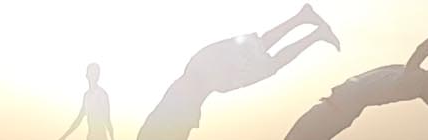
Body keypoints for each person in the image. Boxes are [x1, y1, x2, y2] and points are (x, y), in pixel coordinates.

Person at [137, 4, 341, 140]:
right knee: (258, 49)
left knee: (266, 61)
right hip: (205, 70)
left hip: (209, 75)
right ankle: (305, 21)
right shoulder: (160, 123)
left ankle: (313, 31)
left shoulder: (165, 124)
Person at [283, 23, 428, 140]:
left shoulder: (411, 82)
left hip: (334, 112)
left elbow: (422, 50)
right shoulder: (420, 80)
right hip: (336, 110)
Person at [59, 64, 114, 140]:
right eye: (92, 73)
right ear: (87, 75)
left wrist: (112, 137)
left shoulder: (102, 94)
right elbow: (79, 119)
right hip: (90, 136)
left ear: (98, 76)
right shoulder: (87, 96)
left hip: (101, 136)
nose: (94, 76)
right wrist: (64, 136)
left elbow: (107, 120)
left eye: (96, 73)